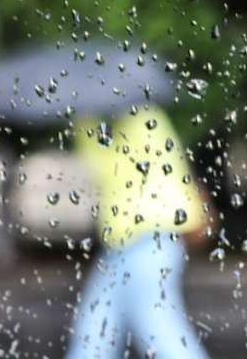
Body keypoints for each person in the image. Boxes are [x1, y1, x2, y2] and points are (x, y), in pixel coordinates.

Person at [65, 106, 211, 359]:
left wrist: (82, 122)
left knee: (159, 330)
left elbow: (105, 168)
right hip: (123, 249)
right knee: (94, 332)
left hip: (149, 243)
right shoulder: (150, 116)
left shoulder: (139, 120)